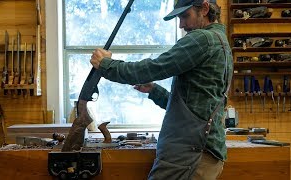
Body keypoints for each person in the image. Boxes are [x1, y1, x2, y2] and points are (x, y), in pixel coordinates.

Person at [90, 0, 233, 179]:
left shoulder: (203, 39)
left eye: (185, 16)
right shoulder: (221, 42)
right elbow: (193, 108)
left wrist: (106, 65)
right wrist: (153, 91)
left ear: (204, 9)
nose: (181, 24)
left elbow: (152, 68)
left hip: (191, 154)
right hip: (199, 152)